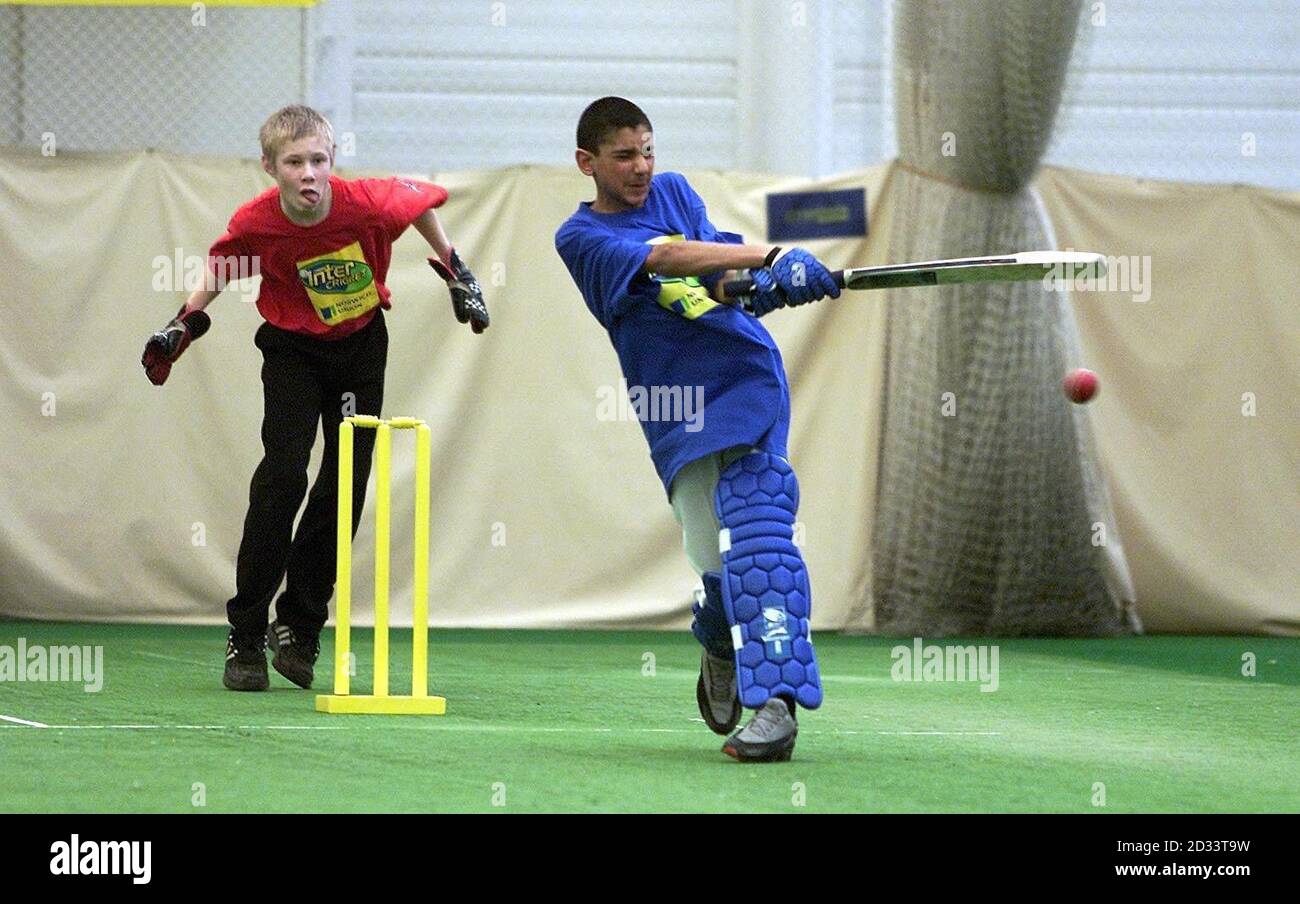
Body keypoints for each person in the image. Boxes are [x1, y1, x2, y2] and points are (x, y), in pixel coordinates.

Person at [141, 104, 488, 692]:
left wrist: (458, 273)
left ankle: (299, 627)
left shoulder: (367, 203)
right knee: (283, 475)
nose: (308, 174)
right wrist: (183, 324)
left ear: (333, 161)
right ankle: (245, 632)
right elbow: (225, 264)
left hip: (358, 349)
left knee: (344, 483)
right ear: (270, 166)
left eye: (318, 161)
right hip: (291, 353)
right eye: (294, 162)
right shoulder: (258, 221)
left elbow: (425, 203)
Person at [555, 97, 839, 761]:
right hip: (673, 408)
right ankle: (717, 635)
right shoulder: (580, 239)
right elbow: (672, 258)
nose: (642, 168)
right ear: (586, 162)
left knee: (762, 540)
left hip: (745, 381)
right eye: (625, 155)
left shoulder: (675, 191)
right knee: (715, 565)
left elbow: (716, 278)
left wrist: (760, 286)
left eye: (648, 151)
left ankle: (775, 707)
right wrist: (772, 255)